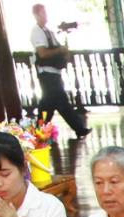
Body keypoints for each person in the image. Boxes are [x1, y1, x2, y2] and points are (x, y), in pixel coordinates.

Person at [29, 4, 87, 138]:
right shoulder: (37, 32)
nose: (46, 16)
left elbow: (58, 48)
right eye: (43, 13)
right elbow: (42, 53)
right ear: (37, 15)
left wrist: (64, 52)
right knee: (59, 103)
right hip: (46, 73)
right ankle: (78, 128)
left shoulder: (48, 31)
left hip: (54, 73)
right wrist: (60, 51)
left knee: (49, 105)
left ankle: (39, 131)